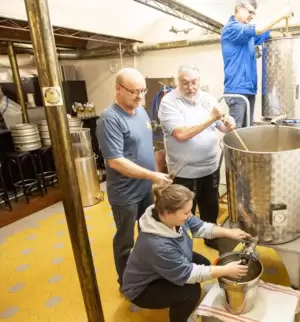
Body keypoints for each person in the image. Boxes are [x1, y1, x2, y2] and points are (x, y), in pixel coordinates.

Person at [121, 184, 252, 322]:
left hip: (163, 268)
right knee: (191, 292)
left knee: (204, 263)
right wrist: (226, 270)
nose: (189, 215)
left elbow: (200, 227)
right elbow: (188, 274)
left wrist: (229, 232)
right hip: (144, 288)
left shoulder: (169, 216)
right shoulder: (158, 245)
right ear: (167, 213)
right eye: (186, 213)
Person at [96, 68, 173, 289]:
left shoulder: (140, 111)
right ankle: (126, 282)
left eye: (143, 90)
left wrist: (158, 166)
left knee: (147, 231)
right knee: (125, 241)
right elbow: (116, 161)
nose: (139, 96)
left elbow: (144, 146)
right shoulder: (109, 119)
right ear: (118, 89)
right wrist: (153, 175)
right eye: (133, 91)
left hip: (145, 189)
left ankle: (145, 271)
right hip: (125, 194)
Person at [158, 64, 236, 250]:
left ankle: (211, 238)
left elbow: (220, 127)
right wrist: (211, 117)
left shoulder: (207, 99)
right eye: (185, 83)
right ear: (178, 82)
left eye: (194, 82)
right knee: (183, 214)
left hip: (210, 168)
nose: (191, 87)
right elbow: (181, 134)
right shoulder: (169, 102)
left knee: (211, 207)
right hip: (184, 172)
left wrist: (228, 124)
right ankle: (181, 247)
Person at [221, 0, 294, 128]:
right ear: (239, 8)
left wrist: (283, 35)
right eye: (250, 12)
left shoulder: (248, 35)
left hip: (249, 89)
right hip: (237, 90)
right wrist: (281, 15)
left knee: (246, 132)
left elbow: (266, 34)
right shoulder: (232, 28)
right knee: (236, 135)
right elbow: (259, 29)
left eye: (254, 13)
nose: (252, 16)